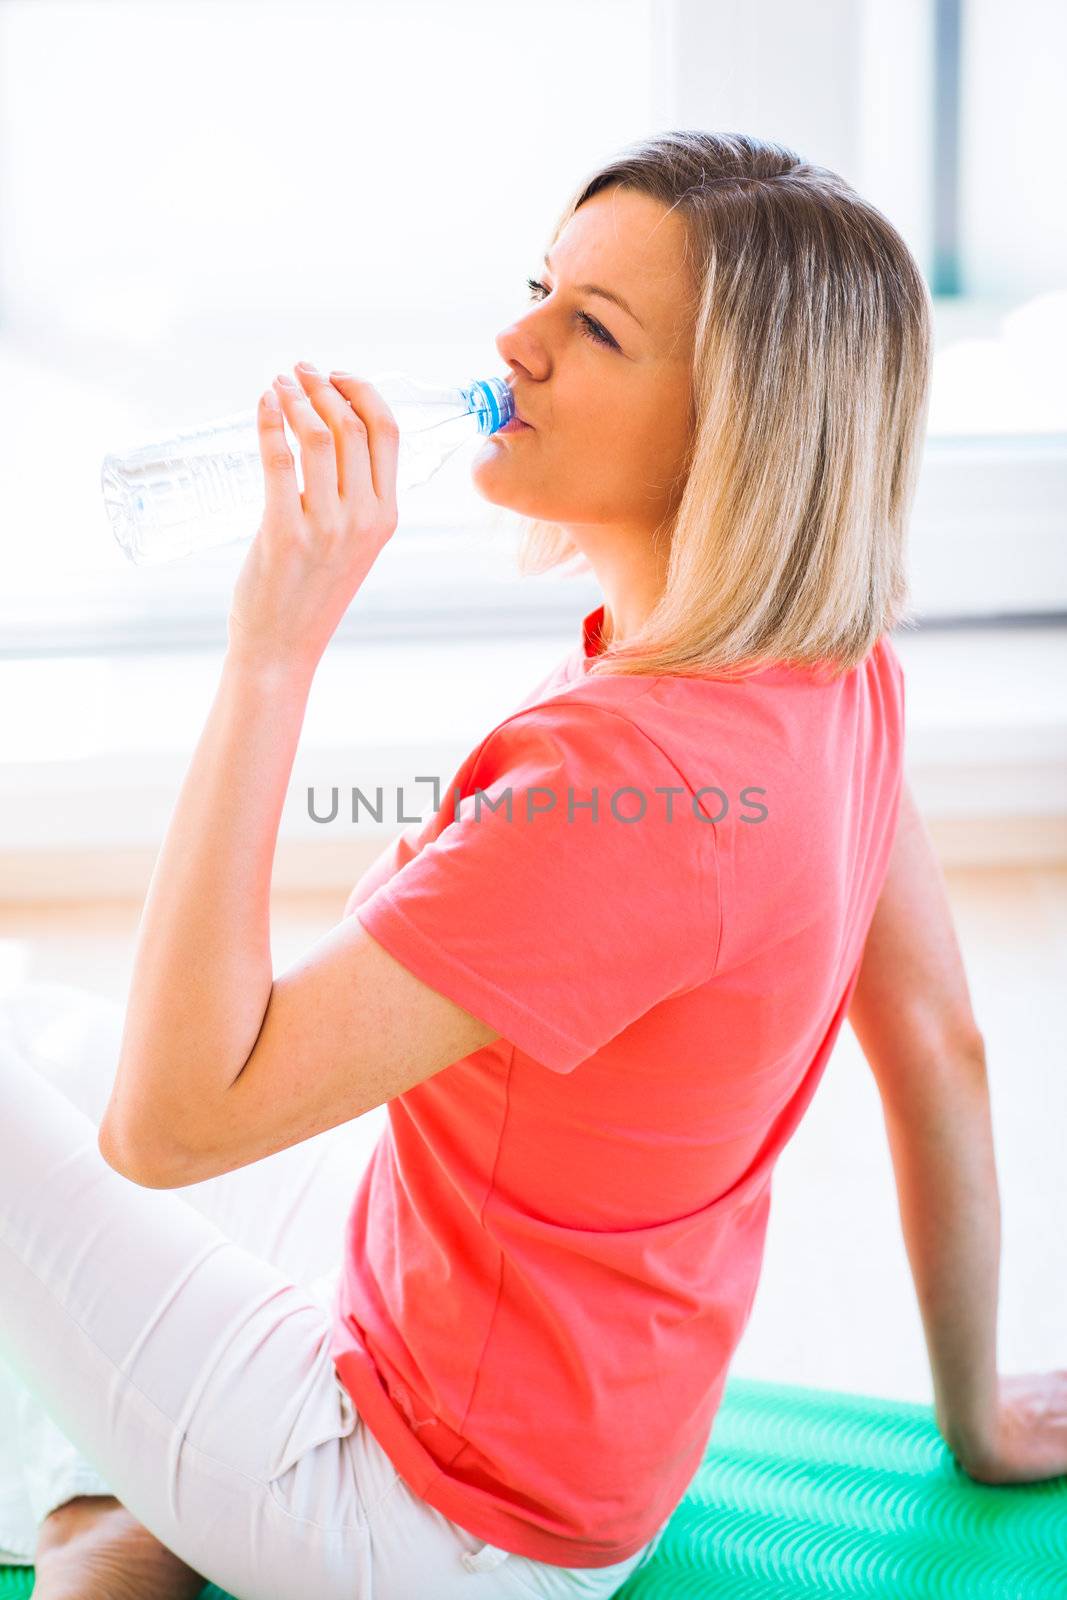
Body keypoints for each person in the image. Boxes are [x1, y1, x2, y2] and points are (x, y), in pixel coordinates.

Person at [4, 128, 1059, 1600]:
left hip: (418, 1511)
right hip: (577, 1449)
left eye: (594, 328)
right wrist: (977, 1413)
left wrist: (273, 646)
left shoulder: (623, 785)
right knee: (45, 1040)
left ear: (733, 429)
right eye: (538, 290)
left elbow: (171, 1126)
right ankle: (125, 1523)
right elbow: (942, 1043)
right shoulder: (834, 670)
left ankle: (124, 1520)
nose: (515, 344)